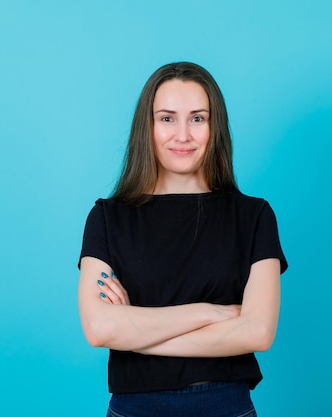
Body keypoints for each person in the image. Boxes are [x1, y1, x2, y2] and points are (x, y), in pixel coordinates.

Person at [77, 62, 288, 417]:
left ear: (214, 126)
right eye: (167, 118)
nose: (183, 135)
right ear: (148, 126)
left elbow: (258, 333)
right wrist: (210, 312)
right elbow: (100, 329)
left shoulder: (254, 217)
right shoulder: (107, 217)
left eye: (197, 118)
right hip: (134, 409)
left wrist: (136, 332)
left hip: (226, 407)